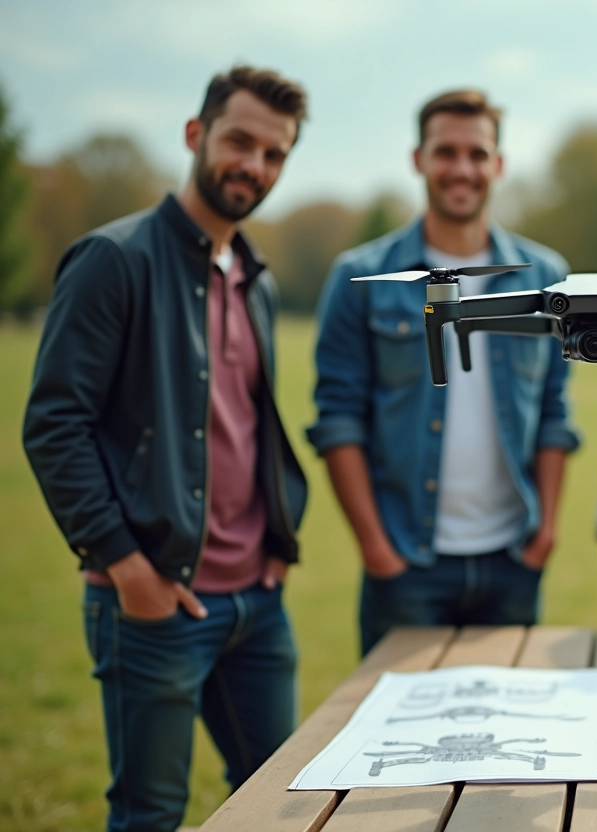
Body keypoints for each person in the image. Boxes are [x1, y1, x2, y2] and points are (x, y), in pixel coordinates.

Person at [23, 66, 310, 832]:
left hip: (259, 603)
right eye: (240, 141)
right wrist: (126, 568)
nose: (254, 165)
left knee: (283, 808)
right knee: (150, 816)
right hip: (154, 603)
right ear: (196, 134)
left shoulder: (256, 278)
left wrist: (278, 543)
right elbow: (54, 423)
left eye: (274, 154)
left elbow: (248, 424)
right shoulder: (113, 260)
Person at [309, 89, 579, 655]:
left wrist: (545, 534)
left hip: (512, 558)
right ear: (419, 159)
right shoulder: (362, 277)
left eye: (477, 154)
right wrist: (377, 550)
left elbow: (556, 412)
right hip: (407, 563)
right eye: (446, 152)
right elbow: (338, 422)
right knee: (398, 737)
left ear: (498, 165)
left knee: (510, 733)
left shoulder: (548, 276)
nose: (462, 168)